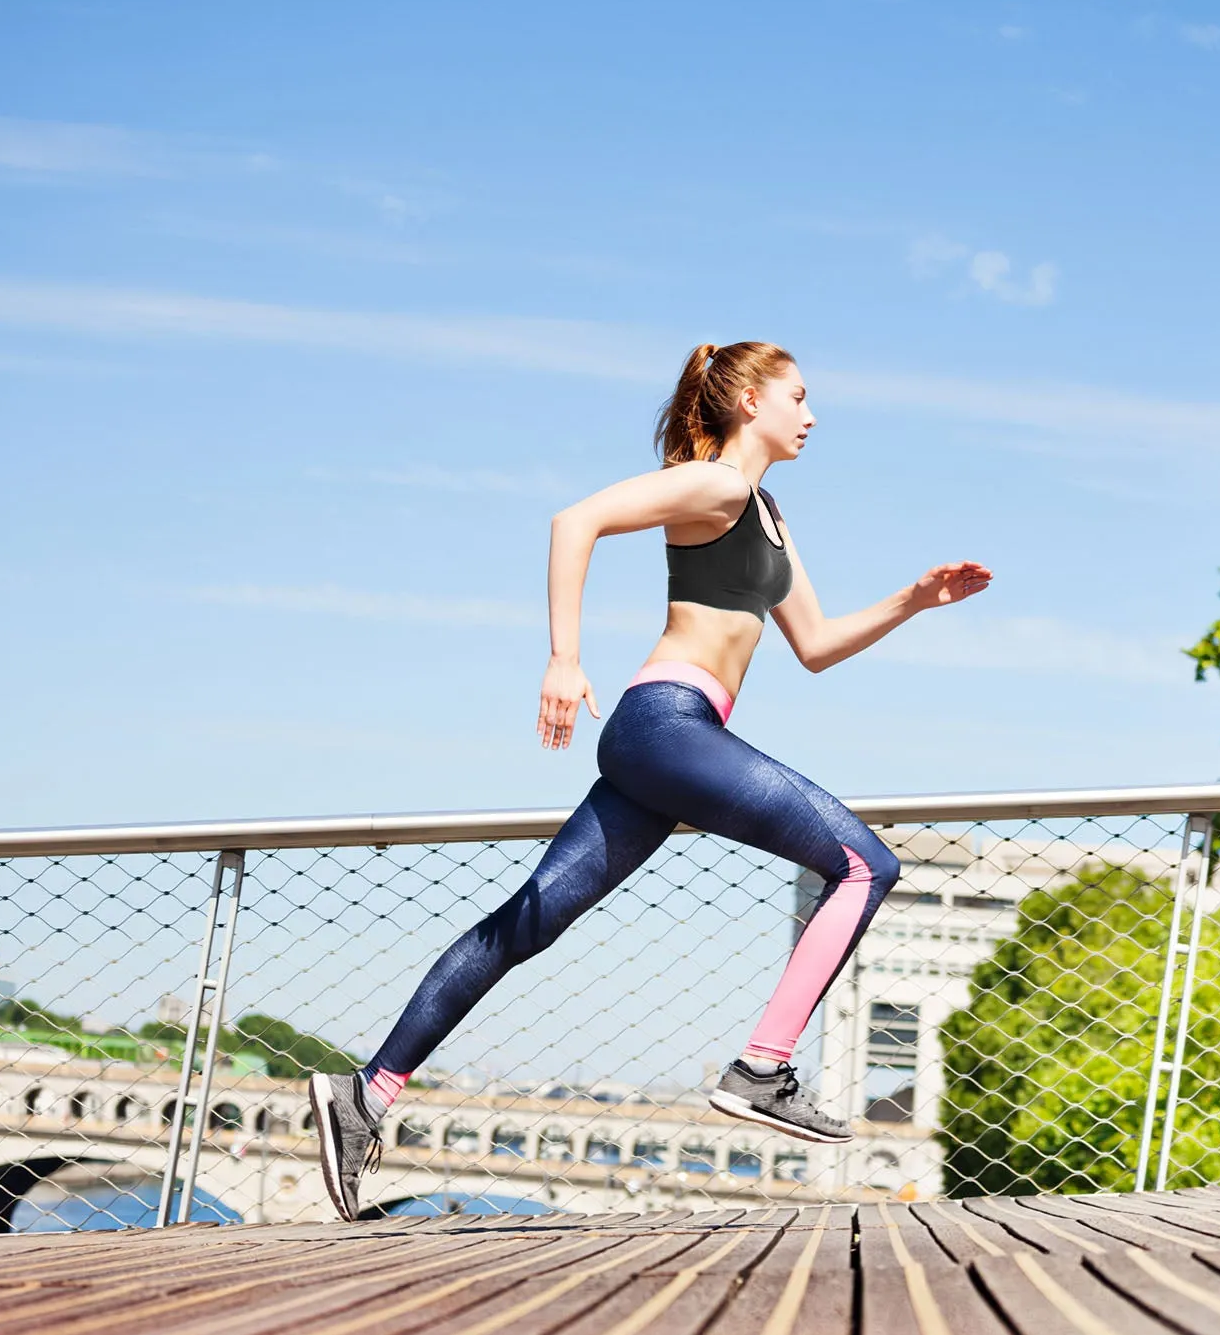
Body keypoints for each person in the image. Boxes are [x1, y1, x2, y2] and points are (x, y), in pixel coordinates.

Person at [309, 342, 992, 1220]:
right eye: (799, 397)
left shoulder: (769, 511)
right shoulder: (716, 486)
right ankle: (764, 1067)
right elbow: (574, 520)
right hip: (666, 723)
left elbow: (815, 647)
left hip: (674, 739)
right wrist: (563, 658)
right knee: (867, 866)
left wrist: (912, 600)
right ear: (750, 400)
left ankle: (364, 1095)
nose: (812, 416)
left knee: (528, 921)